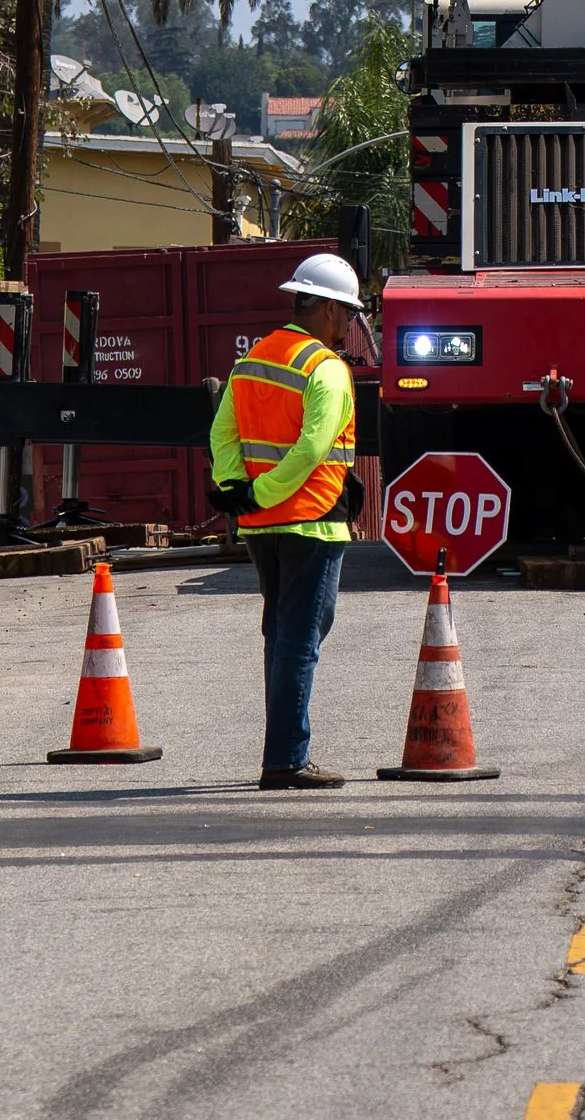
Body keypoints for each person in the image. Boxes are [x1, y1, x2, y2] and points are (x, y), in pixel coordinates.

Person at [208, 250, 368, 790]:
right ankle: (285, 760)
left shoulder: (251, 360)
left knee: (279, 635)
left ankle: (282, 754)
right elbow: (310, 449)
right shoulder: (326, 369)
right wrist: (265, 491)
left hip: (261, 527)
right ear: (325, 309)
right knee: (300, 639)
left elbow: (222, 434)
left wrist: (239, 492)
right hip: (313, 521)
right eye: (346, 312)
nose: (348, 323)